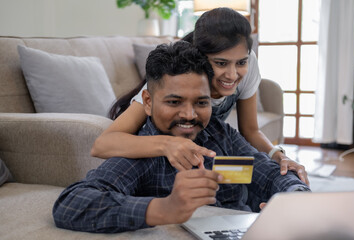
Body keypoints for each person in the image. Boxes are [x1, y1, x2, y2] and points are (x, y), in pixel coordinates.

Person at [53, 41, 310, 233]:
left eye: (201, 102)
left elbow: (261, 173)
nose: (189, 115)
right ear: (148, 101)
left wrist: (293, 198)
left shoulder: (218, 134)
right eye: (174, 102)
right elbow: (71, 204)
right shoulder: (144, 156)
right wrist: (164, 208)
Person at [91, 7, 309, 185]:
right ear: (199, 58)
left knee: (247, 178)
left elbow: (250, 130)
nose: (233, 74)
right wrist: (167, 145)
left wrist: (278, 156)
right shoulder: (177, 75)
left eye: (240, 62)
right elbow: (102, 145)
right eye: (221, 63)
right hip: (155, 150)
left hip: (197, 143)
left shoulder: (248, 65)